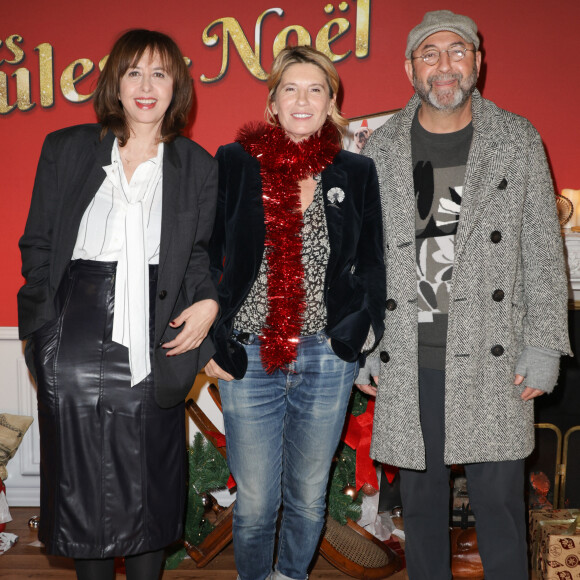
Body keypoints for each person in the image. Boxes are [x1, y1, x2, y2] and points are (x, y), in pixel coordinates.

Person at [357, 10, 572, 580]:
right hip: (410, 356)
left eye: (457, 51)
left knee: (501, 507)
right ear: (409, 68)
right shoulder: (378, 150)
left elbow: (544, 251)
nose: (444, 65)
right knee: (420, 510)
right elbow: (364, 259)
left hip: (494, 354)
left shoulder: (517, 138)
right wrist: (366, 343)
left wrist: (545, 346)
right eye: (430, 54)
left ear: (477, 62)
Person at [17, 29, 218, 580]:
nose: (146, 86)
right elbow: (37, 243)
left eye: (159, 73)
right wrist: (42, 333)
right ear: (116, 84)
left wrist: (209, 305)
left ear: (176, 85)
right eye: (134, 72)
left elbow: (201, 256)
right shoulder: (67, 147)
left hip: (155, 331)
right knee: (84, 484)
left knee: (150, 478)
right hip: (73, 328)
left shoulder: (197, 166)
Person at [204, 45, 386, 580]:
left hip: (327, 356)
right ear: (273, 102)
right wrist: (213, 342)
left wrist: (357, 334)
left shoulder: (355, 170)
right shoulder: (234, 163)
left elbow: (373, 262)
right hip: (251, 351)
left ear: (332, 102)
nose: (302, 99)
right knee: (257, 499)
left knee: (308, 495)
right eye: (291, 88)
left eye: (315, 89)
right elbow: (209, 254)